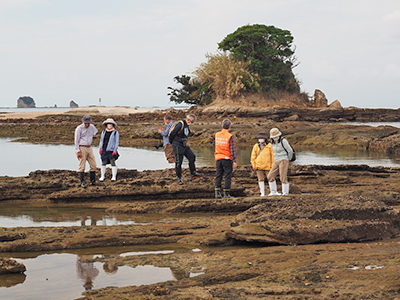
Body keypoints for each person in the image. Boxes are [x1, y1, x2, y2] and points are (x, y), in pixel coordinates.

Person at [169, 113, 203, 184]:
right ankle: (178, 178)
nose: (192, 123)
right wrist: (173, 143)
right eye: (192, 122)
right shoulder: (180, 124)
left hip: (184, 145)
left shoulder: (186, 125)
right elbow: (172, 134)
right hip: (178, 145)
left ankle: (193, 173)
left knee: (192, 156)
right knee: (179, 162)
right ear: (188, 120)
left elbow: (187, 133)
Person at [74, 115, 100, 187]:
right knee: (82, 165)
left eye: (88, 123)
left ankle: (93, 181)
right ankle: (82, 182)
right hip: (82, 147)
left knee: (93, 165)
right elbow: (76, 140)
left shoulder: (92, 127)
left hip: (89, 147)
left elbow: (95, 132)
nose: (87, 124)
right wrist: (78, 151)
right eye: (86, 123)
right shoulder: (79, 128)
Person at [267, 127, 294, 196]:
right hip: (276, 160)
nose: (275, 137)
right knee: (270, 176)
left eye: (276, 136)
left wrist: (289, 159)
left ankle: (285, 193)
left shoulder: (283, 141)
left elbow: (290, 150)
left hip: (283, 159)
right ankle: (273, 192)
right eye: (274, 136)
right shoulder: (272, 142)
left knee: (283, 177)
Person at [214, 119, 237, 198]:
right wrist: (234, 160)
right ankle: (226, 193)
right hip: (227, 158)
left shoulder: (217, 134)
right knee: (227, 176)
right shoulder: (230, 136)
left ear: (222, 126)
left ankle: (217, 193)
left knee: (218, 175)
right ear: (230, 127)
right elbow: (232, 149)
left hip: (218, 158)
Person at [250, 132, 274, 197]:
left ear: (265, 138)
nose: (260, 139)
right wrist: (254, 165)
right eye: (259, 138)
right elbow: (253, 157)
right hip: (258, 166)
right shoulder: (256, 146)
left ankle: (273, 191)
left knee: (271, 178)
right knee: (260, 179)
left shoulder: (269, 146)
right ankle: (262, 193)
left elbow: (272, 156)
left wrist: (272, 165)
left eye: (261, 138)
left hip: (268, 166)